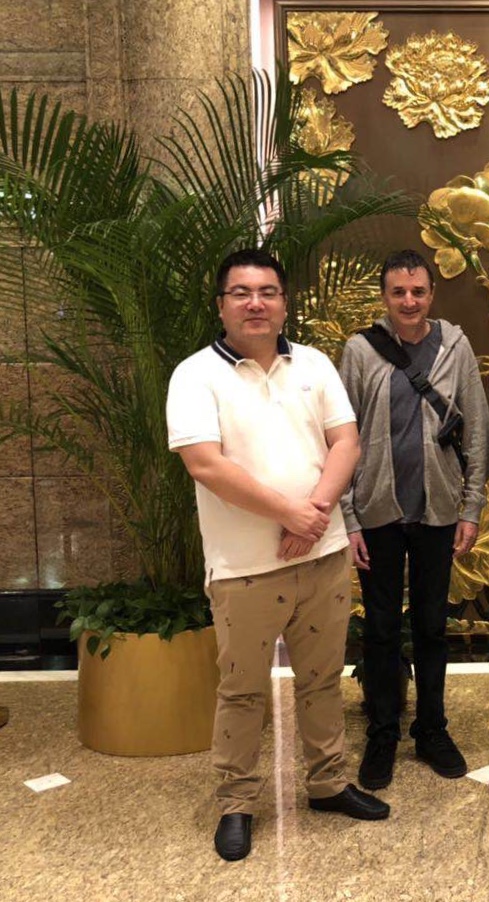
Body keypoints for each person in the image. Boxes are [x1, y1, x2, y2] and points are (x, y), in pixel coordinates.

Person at [167, 248, 389, 863]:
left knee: (322, 679)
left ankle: (328, 782)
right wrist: (289, 515)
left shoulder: (313, 363)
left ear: (285, 303)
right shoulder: (194, 375)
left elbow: (346, 441)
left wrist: (312, 515)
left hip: (322, 555)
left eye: (267, 292)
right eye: (241, 293)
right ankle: (237, 802)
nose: (255, 303)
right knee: (242, 691)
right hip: (244, 569)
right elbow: (205, 464)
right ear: (221, 306)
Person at [338, 250, 489, 789]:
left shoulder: (455, 346)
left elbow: (476, 428)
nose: (409, 301)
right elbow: (339, 435)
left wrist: (471, 507)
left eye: (418, 291)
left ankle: (432, 729)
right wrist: (348, 518)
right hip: (377, 510)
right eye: (399, 292)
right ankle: (383, 733)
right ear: (384, 296)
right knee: (381, 629)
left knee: (431, 627)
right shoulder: (360, 350)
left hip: (438, 509)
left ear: (432, 294)